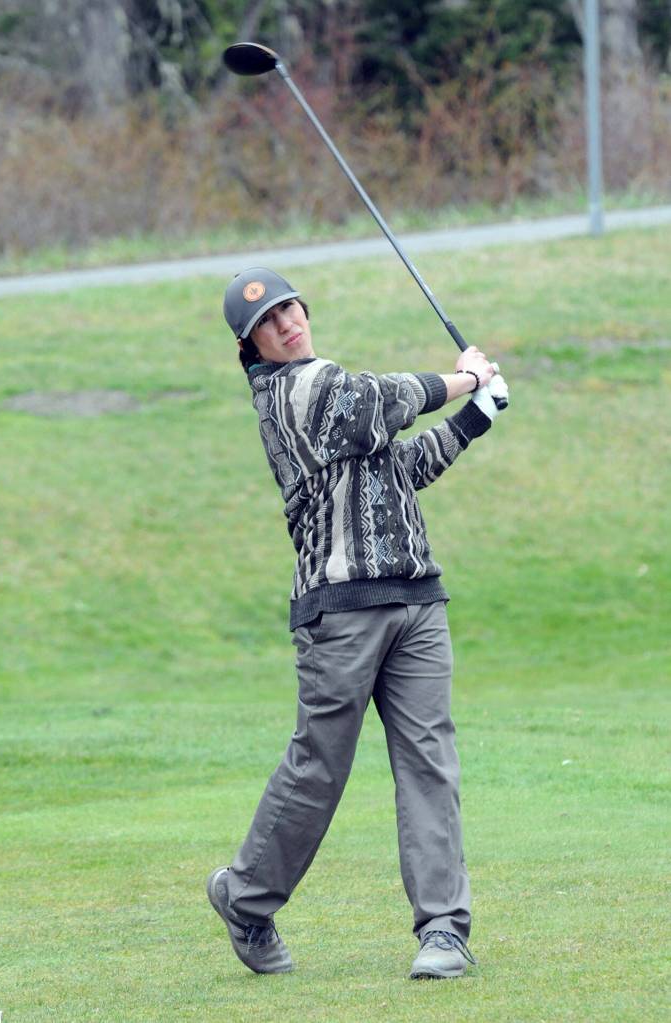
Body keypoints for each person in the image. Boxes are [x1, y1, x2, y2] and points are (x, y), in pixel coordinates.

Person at [208, 266, 508, 980]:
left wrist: (477, 418)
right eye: (266, 324)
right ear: (253, 350)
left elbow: (400, 464)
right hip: (338, 610)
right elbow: (381, 401)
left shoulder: (330, 390)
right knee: (319, 768)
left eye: (288, 308)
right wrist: (465, 378)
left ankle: (444, 930)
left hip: (416, 598)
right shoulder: (293, 393)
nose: (285, 323)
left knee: (429, 760)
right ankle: (246, 899)